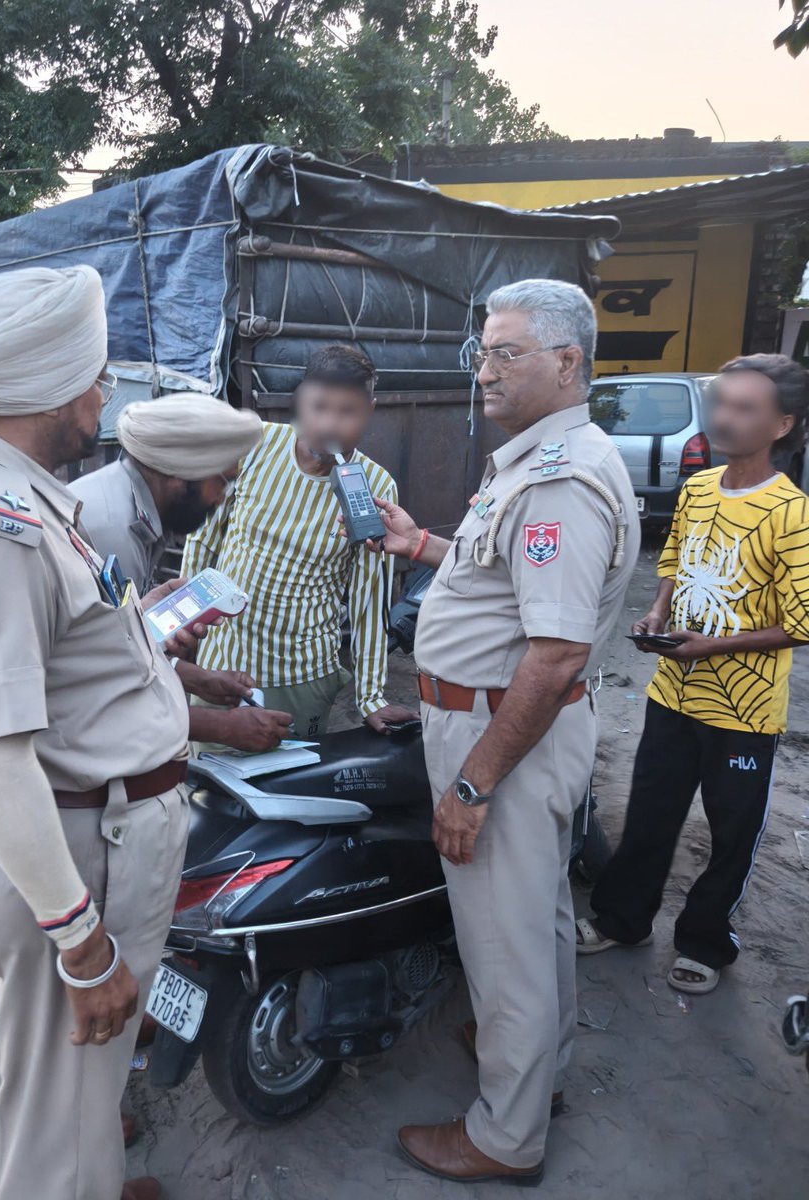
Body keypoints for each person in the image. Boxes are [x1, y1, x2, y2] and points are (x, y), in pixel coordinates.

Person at [0, 264, 253, 1200]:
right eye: (93, 376)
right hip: (77, 843)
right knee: (55, 1110)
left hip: (91, 829)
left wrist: (144, 624)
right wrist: (83, 944)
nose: (103, 394)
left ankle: (91, 1176)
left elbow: (58, 655)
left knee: (77, 1089)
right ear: (43, 389)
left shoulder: (14, 492)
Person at [366, 279, 639, 1182]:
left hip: (503, 736)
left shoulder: (560, 479)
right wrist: (424, 548)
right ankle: (541, 1067)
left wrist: (474, 784)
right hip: (516, 727)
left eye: (506, 353)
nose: (483, 369)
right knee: (538, 919)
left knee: (502, 940)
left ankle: (504, 1135)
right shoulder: (537, 460)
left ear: (568, 363)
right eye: (481, 351)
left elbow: (553, 655)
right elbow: (508, 584)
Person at [577, 354, 809, 995]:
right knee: (650, 812)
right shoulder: (699, 488)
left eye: (745, 408)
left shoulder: (793, 513)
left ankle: (706, 941)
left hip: (744, 709)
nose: (725, 418)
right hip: (672, 692)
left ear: (782, 424)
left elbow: (803, 620)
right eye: (721, 403)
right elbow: (675, 558)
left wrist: (713, 648)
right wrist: (656, 611)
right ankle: (623, 920)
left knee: (731, 830)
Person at [182, 344, 417, 737]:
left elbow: (368, 598)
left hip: (303, 675)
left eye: (348, 412)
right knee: (210, 781)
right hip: (221, 662)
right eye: (319, 407)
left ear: (369, 411)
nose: (329, 425)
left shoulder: (375, 487)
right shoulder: (255, 445)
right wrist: (187, 631)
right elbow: (204, 541)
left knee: (290, 785)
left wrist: (372, 695)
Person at [70, 396, 292, 753]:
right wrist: (223, 727)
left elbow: (108, 647)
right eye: (223, 482)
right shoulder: (114, 529)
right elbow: (109, 688)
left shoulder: (125, 499)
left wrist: (196, 679)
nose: (223, 499)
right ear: (180, 476)